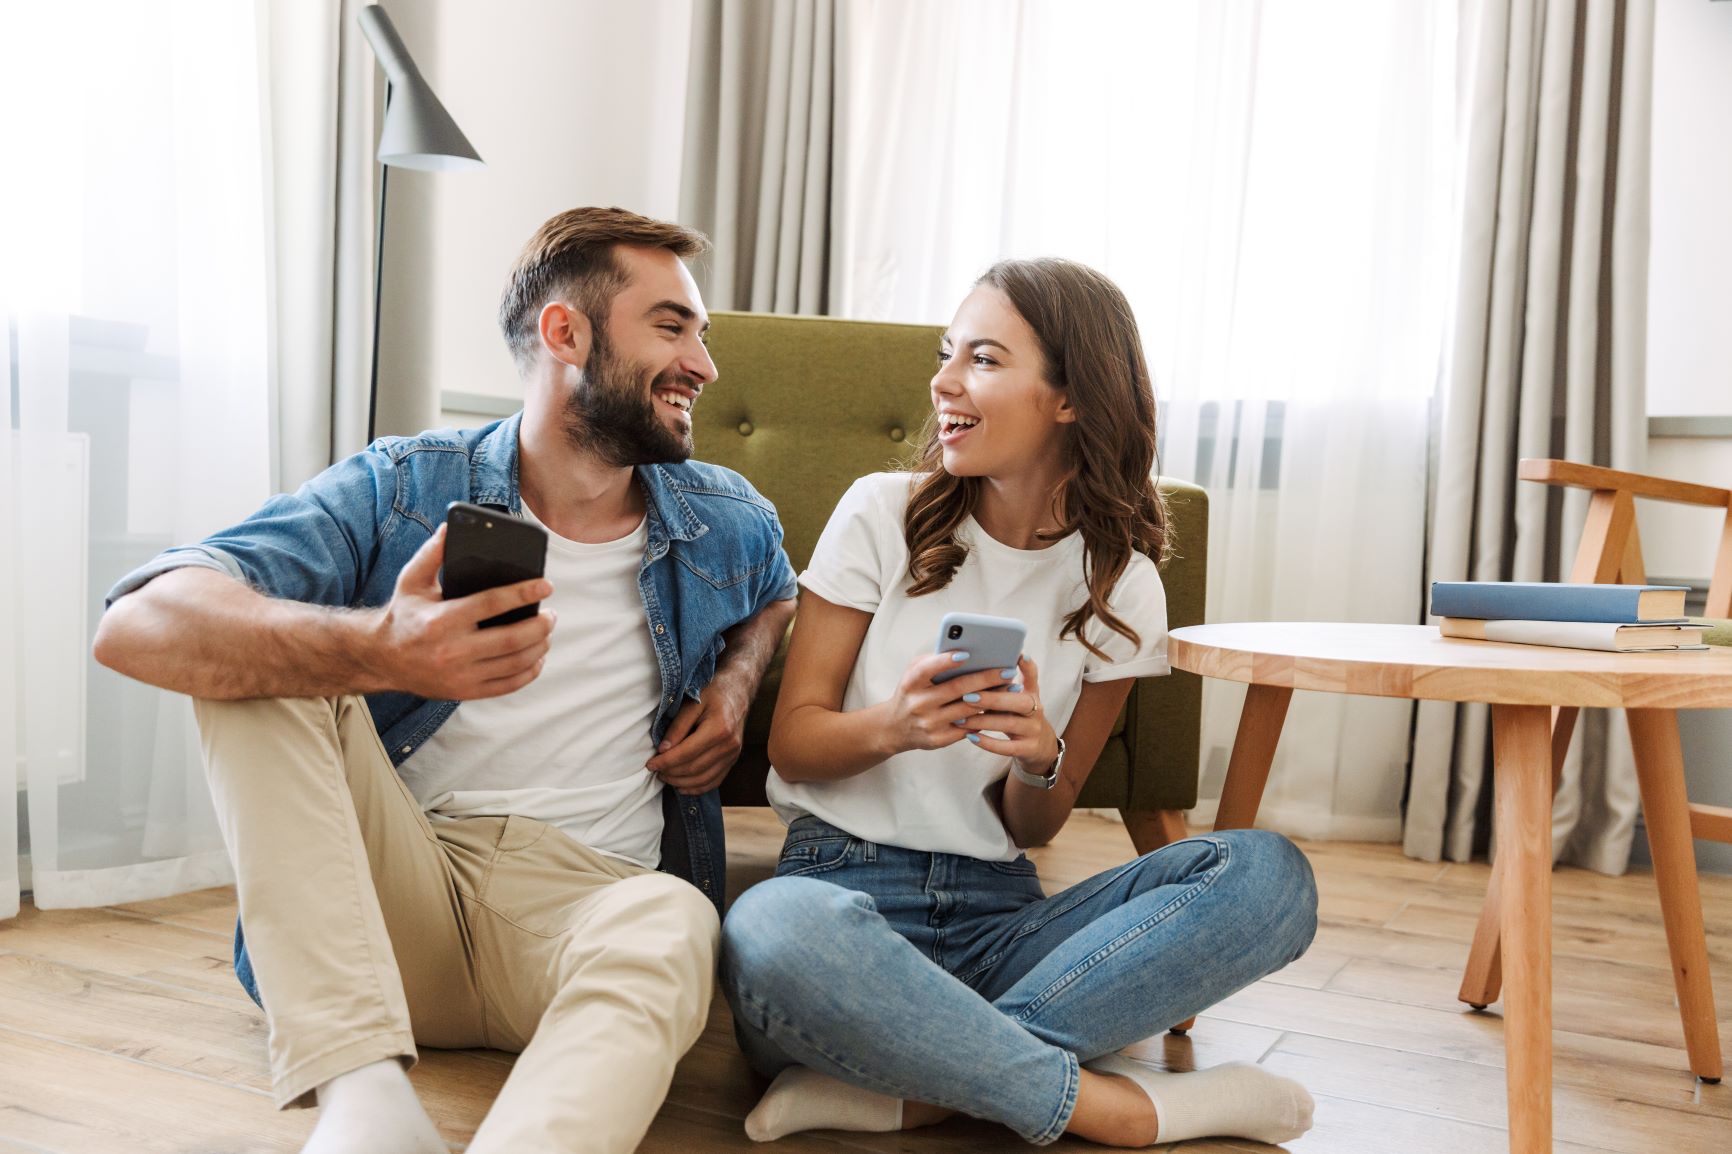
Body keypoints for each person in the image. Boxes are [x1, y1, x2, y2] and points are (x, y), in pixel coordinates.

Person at [92, 206, 798, 1154]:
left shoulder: (726, 519)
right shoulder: (403, 486)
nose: (705, 366)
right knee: (259, 661)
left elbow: (778, 596)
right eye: (673, 327)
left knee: (675, 918)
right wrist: (383, 648)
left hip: (587, 914)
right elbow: (138, 622)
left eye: (700, 336)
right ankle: (361, 1099)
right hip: (390, 904)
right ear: (566, 333)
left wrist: (739, 682)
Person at [719, 258, 1319, 1148]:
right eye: (947, 352)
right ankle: (1120, 1112)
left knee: (1271, 877)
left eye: (985, 359)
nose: (944, 380)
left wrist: (1041, 756)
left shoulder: (1124, 585)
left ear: (1070, 397)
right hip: (842, 896)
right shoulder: (883, 513)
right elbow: (794, 746)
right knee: (771, 924)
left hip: (1002, 919)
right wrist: (895, 727)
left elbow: (1035, 826)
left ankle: (920, 1087)